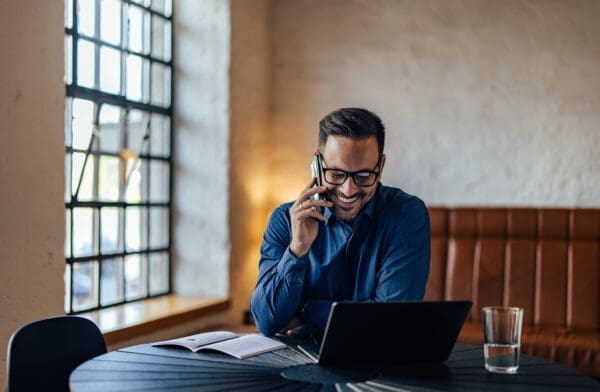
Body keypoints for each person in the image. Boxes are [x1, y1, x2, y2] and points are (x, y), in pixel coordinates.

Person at [250, 108, 430, 337]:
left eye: (364, 176)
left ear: (381, 167)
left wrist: (306, 310)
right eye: (336, 174)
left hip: (377, 365)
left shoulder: (406, 215)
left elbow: (391, 320)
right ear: (317, 163)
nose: (349, 190)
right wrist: (297, 249)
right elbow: (266, 321)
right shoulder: (285, 220)